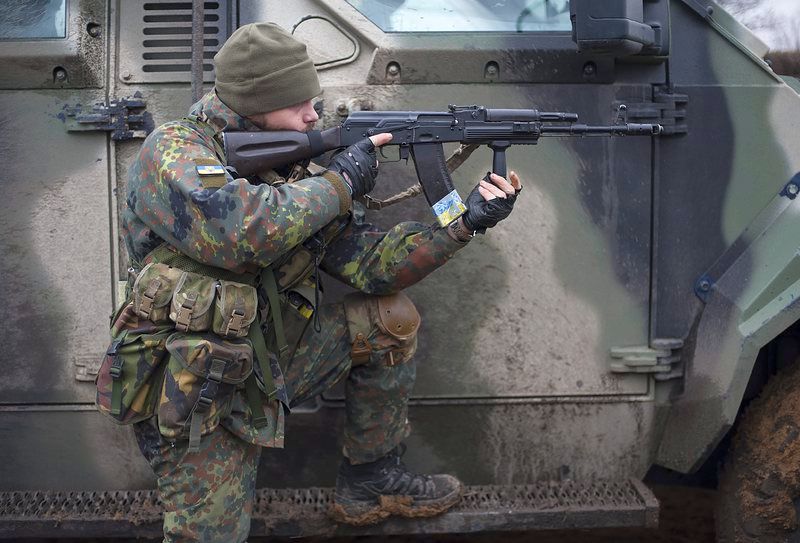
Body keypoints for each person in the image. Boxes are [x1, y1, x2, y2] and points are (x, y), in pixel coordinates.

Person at [116, 22, 522, 542]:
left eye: (314, 101)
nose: (313, 115)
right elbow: (242, 231)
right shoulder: (173, 152)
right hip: (195, 389)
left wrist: (464, 222)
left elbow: (373, 266)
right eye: (298, 104)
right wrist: (340, 182)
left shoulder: (298, 169)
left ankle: (370, 481)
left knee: (389, 320)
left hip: (269, 366)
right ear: (253, 103)